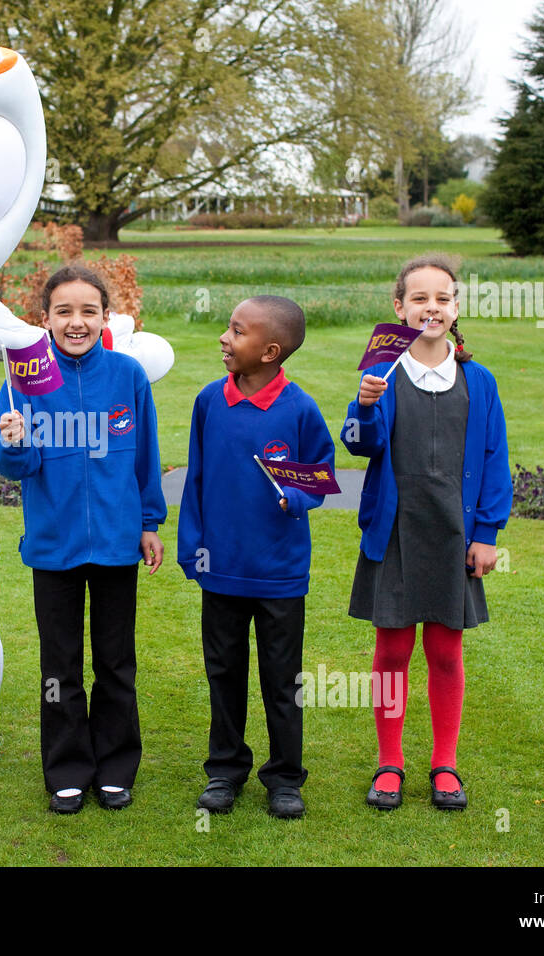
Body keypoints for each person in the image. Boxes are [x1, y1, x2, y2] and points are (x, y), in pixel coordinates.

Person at [0, 264, 166, 814]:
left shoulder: (127, 376)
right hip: (54, 545)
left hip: (116, 544)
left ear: (106, 318)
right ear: (45, 320)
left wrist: (149, 523)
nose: (76, 321)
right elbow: (14, 465)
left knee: (116, 662)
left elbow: (145, 459)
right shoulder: (23, 382)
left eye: (89, 311)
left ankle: (115, 769)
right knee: (59, 665)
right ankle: (66, 770)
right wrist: (15, 443)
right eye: (64, 311)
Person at [341, 254, 512, 811]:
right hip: (394, 532)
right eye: (419, 298)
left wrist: (486, 533)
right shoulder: (381, 377)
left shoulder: (478, 380)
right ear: (399, 307)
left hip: (454, 534)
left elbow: (493, 459)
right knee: (391, 649)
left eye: (442, 298)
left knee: (444, 651)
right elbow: (359, 443)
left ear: (455, 307)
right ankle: (389, 762)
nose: (430, 308)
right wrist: (363, 407)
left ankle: (445, 764)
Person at [178, 295, 334, 819]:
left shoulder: (300, 408)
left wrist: (300, 498)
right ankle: (224, 771)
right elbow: (195, 477)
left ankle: (285, 778)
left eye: (236, 331)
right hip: (220, 569)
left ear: (270, 351)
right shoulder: (208, 401)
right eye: (228, 327)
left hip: (280, 575)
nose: (225, 338)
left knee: (281, 681)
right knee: (223, 673)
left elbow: (320, 473)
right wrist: (191, 545)